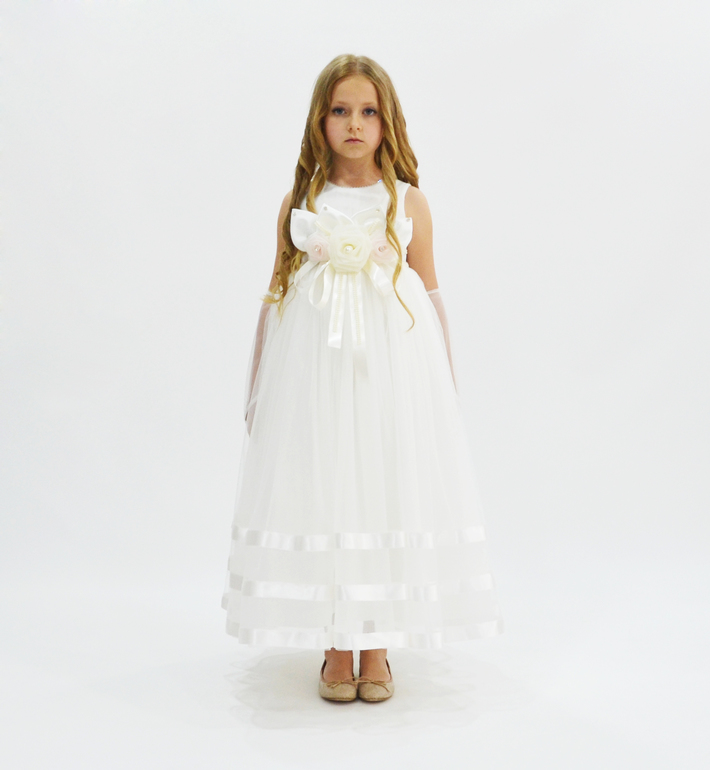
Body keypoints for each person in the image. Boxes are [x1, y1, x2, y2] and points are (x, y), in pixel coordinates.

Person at [222, 54, 503, 703]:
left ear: (387, 121)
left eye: (368, 111)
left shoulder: (408, 201)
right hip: (316, 373)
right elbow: (275, 292)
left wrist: (444, 380)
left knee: (381, 483)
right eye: (340, 110)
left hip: (390, 370)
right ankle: (335, 645)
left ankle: (375, 644)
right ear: (320, 121)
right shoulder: (301, 202)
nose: (354, 123)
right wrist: (259, 382)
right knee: (328, 485)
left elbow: (430, 290)